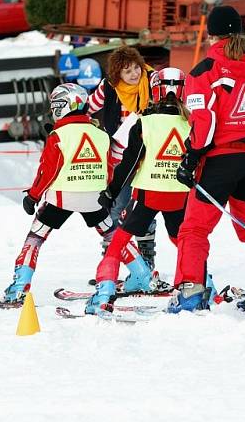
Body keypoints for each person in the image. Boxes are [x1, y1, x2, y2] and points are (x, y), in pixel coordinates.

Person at [169, 5, 245, 313]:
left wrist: (191, 157)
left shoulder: (204, 70)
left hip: (219, 160)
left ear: (211, 33)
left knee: (194, 228)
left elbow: (205, 122)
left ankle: (190, 294)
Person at [0, 83, 114, 304]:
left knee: (35, 238)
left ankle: (18, 288)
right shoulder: (100, 133)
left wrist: (33, 196)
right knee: (113, 238)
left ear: (63, 106)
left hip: (61, 198)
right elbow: (109, 169)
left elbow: (48, 171)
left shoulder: (58, 134)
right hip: (94, 199)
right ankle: (141, 275)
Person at [86, 68, 189, 315]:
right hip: (180, 195)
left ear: (155, 90)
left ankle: (103, 295)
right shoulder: (191, 121)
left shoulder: (145, 122)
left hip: (148, 196)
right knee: (186, 245)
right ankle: (203, 288)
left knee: (117, 243)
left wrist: (110, 192)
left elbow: (129, 164)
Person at [87, 46, 158, 265]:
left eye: (137, 67)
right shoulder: (109, 87)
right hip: (122, 158)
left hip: (150, 155)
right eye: (127, 71)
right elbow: (87, 108)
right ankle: (112, 261)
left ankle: (146, 259)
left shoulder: (154, 82)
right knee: (117, 207)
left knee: (144, 209)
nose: (135, 74)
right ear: (118, 74)